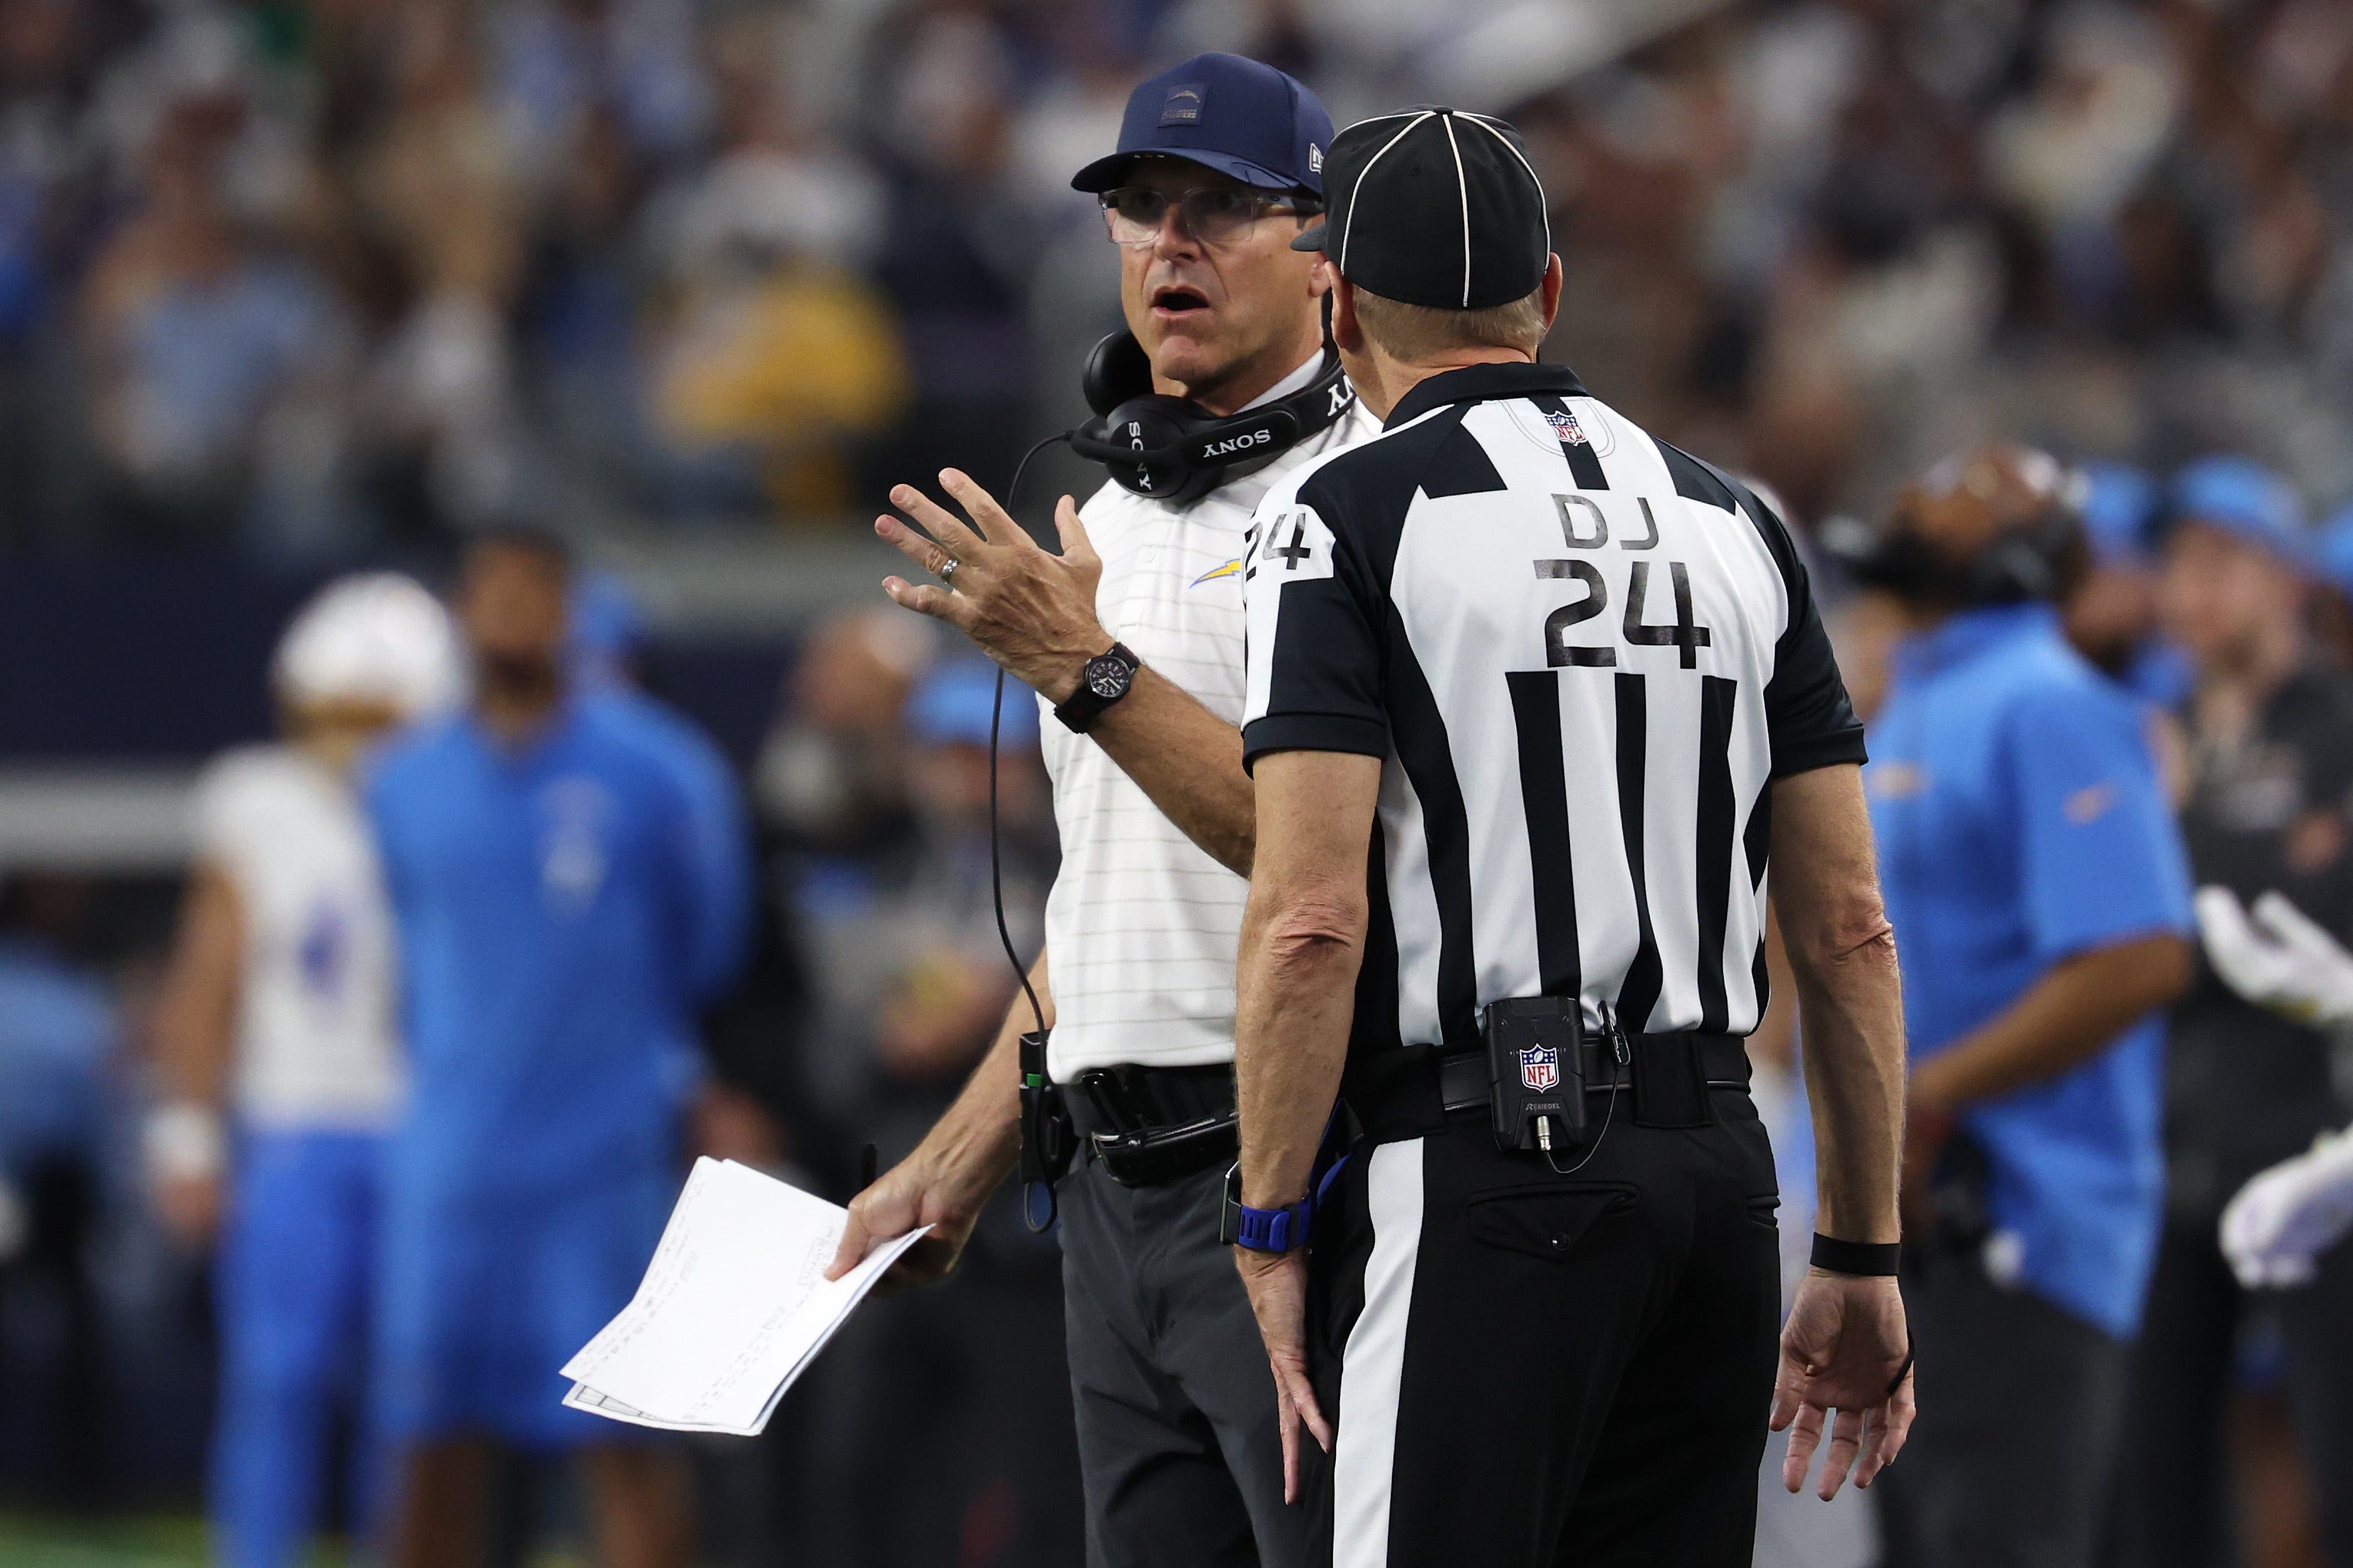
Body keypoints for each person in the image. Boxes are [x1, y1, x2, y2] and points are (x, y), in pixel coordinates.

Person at [1228, 106, 1913, 1568]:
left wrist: (1270, 1220)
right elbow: (1848, 922)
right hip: (1718, 1177)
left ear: (1334, 306)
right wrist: (1858, 1246)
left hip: (1489, 1159)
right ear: (1547, 294)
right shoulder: (1733, 517)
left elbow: (1307, 914)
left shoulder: (1343, 514)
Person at [828, 52, 1380, 1568]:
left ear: (1324, 249)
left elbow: (1326, 863)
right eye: (1138, 209)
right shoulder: (1107, 525)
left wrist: (1079, 664)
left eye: (1218, 209)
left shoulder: (1371, 503)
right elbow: (1105, 921)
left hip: (1300, 1184)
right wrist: (954, 1159)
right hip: (1104, 1201)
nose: (1167, 244)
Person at [1829, 445, 2195, 1568]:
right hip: (1916, 1217)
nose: (1914, 494)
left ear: (2024, 547)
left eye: (1960, 489)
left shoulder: (2051, 702)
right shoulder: (1913, 696)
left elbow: (2138, 954)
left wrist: (1926, 1095)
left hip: (2027, 1213)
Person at [366, 531, 752, 1568]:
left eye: (534, 596)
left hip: (601, 1159)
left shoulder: (659, 770)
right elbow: (402, 952)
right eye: (491, 596)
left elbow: (709, 945)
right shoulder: (402, 783)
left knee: (621, 1433)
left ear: (568, 610)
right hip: (451, 1161)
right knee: (428, 1438)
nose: (512, 618)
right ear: (458, 611)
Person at [147, 573, 461, 1568]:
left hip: (429, 1124)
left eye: (374, 714)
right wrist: (187, 1130)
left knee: (415, 1397)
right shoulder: (256, 801)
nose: (347, 739)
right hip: (296, 1122)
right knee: (277, 1381)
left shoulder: (467, 802)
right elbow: (208, 977)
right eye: (331, 713)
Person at [2116, 455, 2353, 1568]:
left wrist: (2176, 842)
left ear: (2286, 575)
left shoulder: (2335, 722)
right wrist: (2232, 874)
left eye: (2222, 558)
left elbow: (2317, 916)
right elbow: (2129, 939)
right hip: (2173, 1146)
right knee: (2151, 1478)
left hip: (2313, 1145)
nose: (2193, 586)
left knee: (2334, 1455)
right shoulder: (2151, 727)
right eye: (2177, 561)